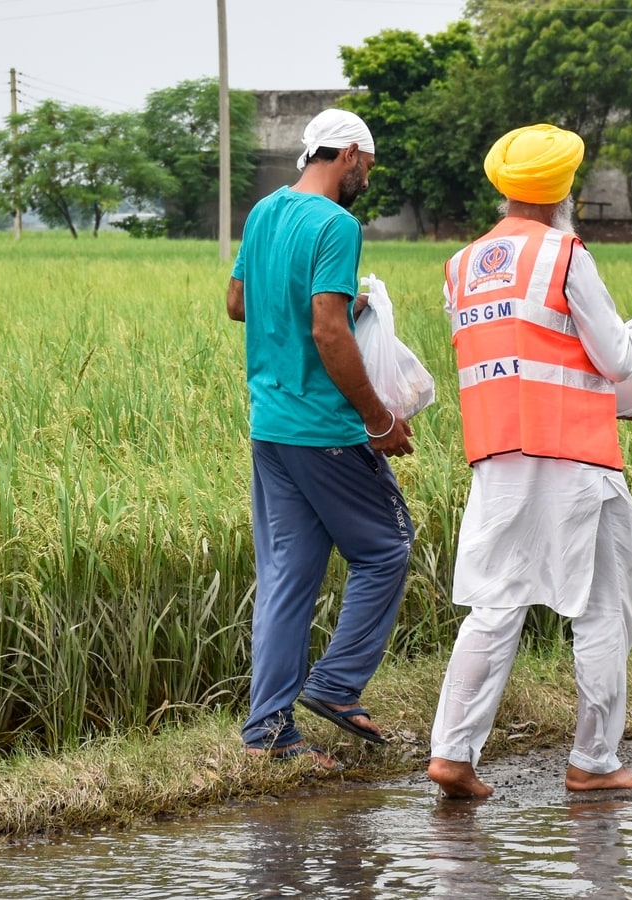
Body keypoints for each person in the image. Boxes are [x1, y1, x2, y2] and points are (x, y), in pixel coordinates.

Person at [427, 123, 632, 798]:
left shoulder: (460, 267)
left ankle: (453, 754)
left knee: (495, 604)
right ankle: (594, 762)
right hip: (572, 457)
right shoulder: (564, 254)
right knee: (605, 608)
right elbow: (617, 357)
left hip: (497, 455)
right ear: (565, 189)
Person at [225, 108, 416, 770]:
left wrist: (327, 302)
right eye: (369, 163)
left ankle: (268, 731)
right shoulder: (337, 224)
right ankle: (335, 685)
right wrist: (379, 420)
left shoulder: (264, 213)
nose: (368, 175)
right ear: (350, 156)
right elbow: (329, 333)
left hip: (270, 428)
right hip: (324, 429)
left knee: (289, 575)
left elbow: (238, 303)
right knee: (388, 546)